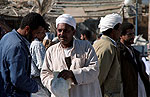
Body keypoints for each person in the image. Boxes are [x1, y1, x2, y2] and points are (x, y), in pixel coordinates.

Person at [40, 14, 102, 97]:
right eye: (59, 30)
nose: (62, 34)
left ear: (74, 32)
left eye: (66, 31)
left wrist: (73, 74)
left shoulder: (86, 47)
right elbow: (45, 74)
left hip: (84, 93)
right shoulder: (51, 51)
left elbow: (94, 70)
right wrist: (55, 84)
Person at [0, 12, 47, 97]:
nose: (36, 37)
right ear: (27, 29)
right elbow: (18, 79)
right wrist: (36, 87)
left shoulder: (8, 37)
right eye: (36, 33)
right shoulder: (18, 46)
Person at [93, 13, 123, 97]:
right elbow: (99, 76)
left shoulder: (104, 44)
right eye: (119, 30)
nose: (120, 33)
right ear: (113, 31)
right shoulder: (107, 47)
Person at [117, 22, 150, 97]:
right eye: (129, 35)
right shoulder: (120, 53)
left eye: (133, 34)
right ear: (121, 36)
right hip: (129, 91)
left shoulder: (135, 52)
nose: (133, 37)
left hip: (141, 89)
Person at [30, 27, 51, 97]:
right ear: (36, 34)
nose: (44, 35)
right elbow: (42, 66)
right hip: (38, 79)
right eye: (42, 33)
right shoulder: (37, 45)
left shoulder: (34, 44)